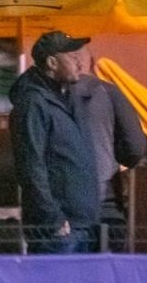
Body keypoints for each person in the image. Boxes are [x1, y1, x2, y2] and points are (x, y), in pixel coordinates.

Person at [10, 30, 100, 255]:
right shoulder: (33, 102)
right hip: (59, 231)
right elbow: (31, 166)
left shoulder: (65, 98)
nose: (79, 62)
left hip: (80, 225)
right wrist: (53, 219)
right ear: (52, 62)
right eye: (71, 57)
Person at [70, 50, 147, 243]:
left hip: (60, 208)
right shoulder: (108, 92)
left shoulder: (42, 96)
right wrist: (118, 157)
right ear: (92, 64)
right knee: (109, 268)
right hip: (105, 202)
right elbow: (135, 147)